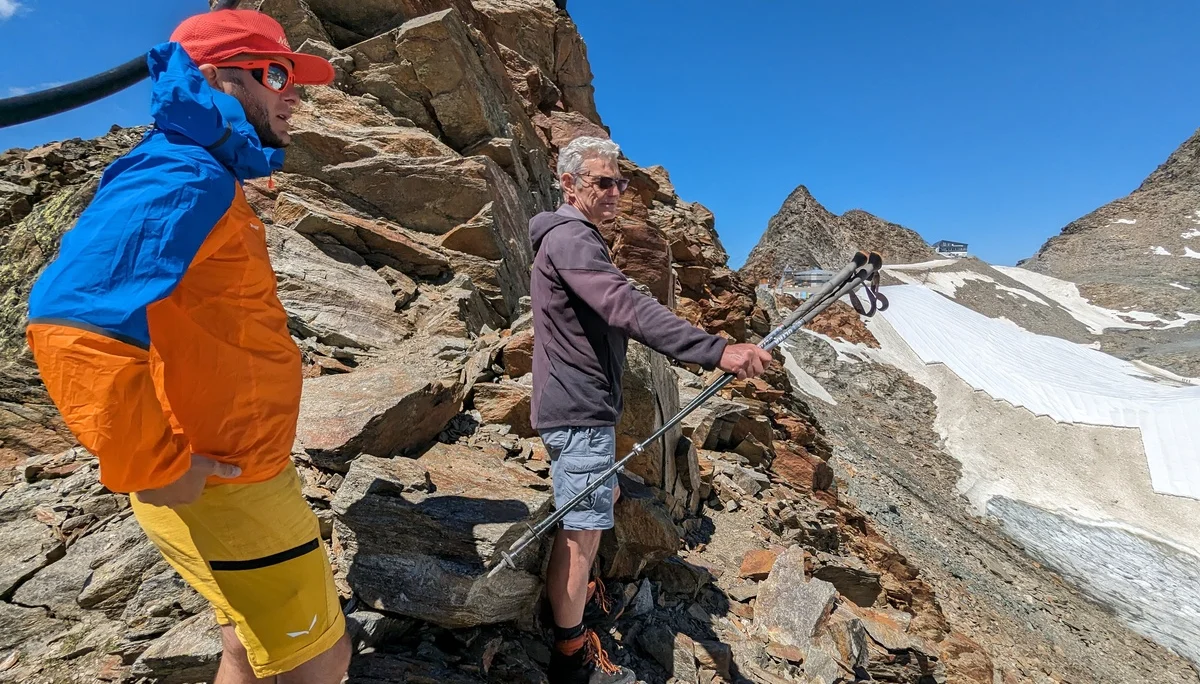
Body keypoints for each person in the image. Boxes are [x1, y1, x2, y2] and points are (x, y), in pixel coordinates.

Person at [24, 10, 351, 684]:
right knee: (320, 663)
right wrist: (155, 463)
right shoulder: (184, 173)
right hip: (232, 486)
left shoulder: (197, 170)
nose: (295, 94)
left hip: (213, 470)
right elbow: (70, 319)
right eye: (278, 72)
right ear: (215, 77)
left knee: (243, 643)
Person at [529, 136, 773, 683]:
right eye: (602, 182)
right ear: (570, 185)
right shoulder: (572, 239)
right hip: (579, 411)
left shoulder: (571, 238)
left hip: (581, 406)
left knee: (600, 499)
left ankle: (574, 600)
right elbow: (624, 304)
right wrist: (716, 348)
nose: (616, 191)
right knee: (582, 530)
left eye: (620, 182)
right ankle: (570, 654)